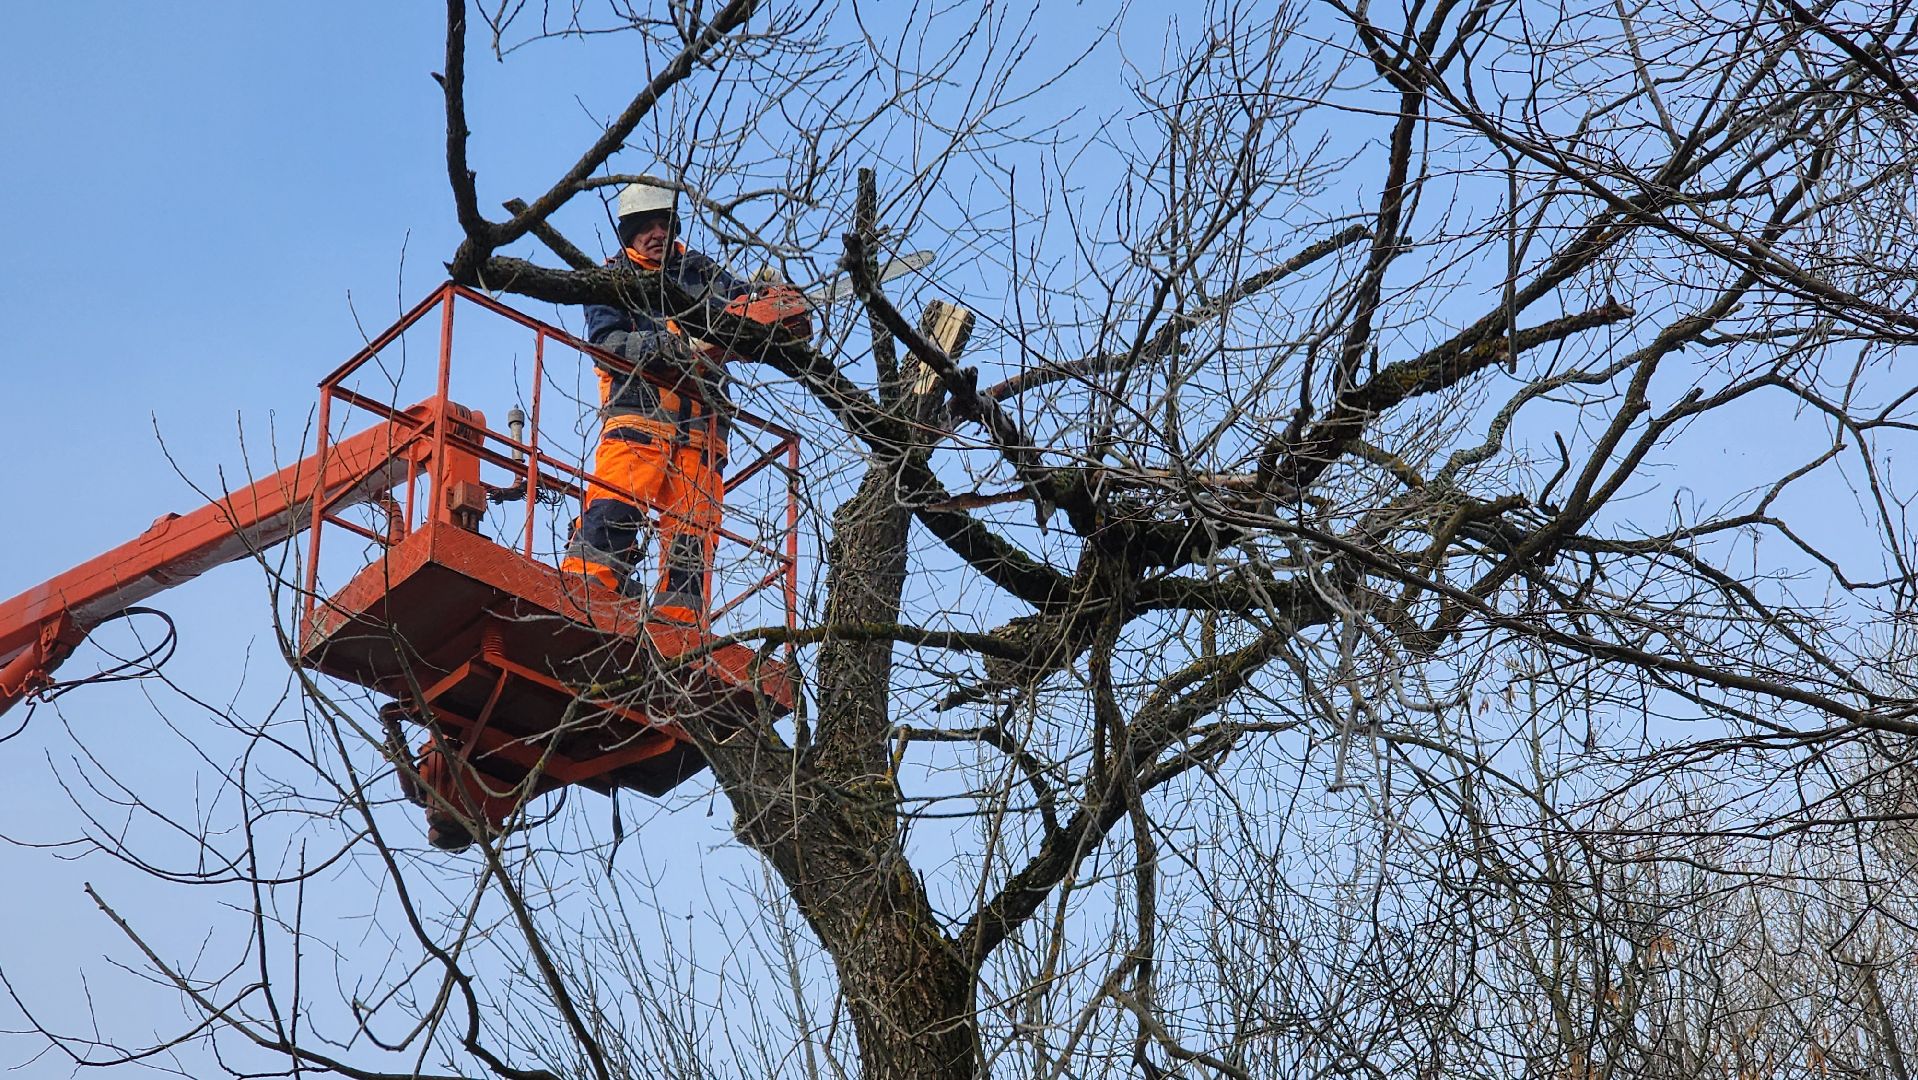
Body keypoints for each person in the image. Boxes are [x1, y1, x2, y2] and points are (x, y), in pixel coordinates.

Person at [557, 175, 749, 624]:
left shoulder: (702, 272)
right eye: (646, 225)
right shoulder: (612, 279)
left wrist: (763, 298)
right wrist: (666, 347)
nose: (657, 233)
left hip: (704, 432)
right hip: (639, 420)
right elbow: (607, 342)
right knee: (618, 503)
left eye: (664, 223)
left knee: (693, 534)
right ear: (629, 233)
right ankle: (586, 590)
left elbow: (747, 307)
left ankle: (679, 625)